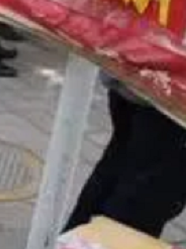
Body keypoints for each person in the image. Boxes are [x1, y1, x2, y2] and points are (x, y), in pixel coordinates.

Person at [63, 76, 186, 238]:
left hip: (137, 76)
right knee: (148, 192)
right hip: (170, 93)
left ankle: (72, 246)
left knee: (118, 164)